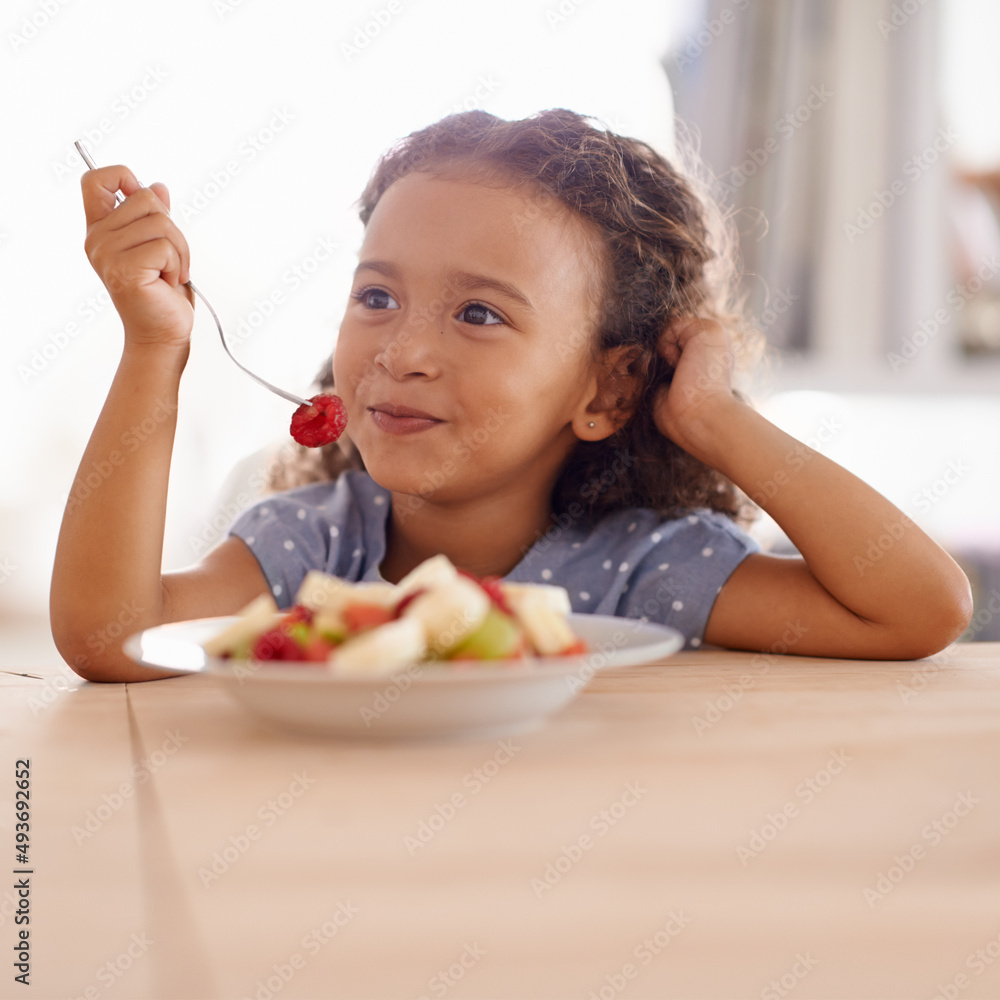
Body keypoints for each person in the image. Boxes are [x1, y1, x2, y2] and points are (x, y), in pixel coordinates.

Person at [51, 109, 972, 682]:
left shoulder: (641, 572)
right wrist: (152, 348)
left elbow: (920, 609)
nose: (403, 352)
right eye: (378, 297)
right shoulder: (312, 545)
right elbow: (112, 639)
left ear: (609, 390)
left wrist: (711, 418)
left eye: (480, 314)